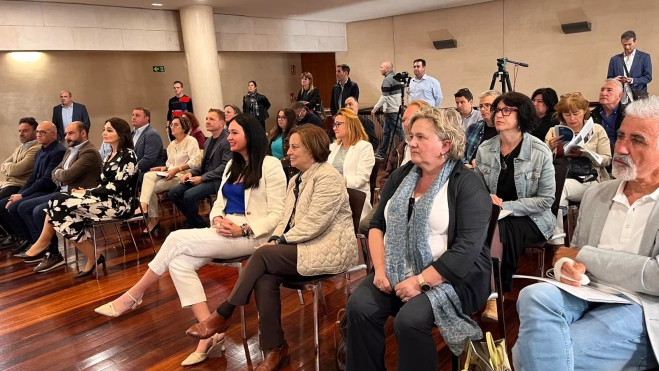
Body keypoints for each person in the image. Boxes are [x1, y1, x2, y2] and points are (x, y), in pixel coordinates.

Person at [94, 114, 287, 366]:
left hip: (251, 236)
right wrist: (216, 219)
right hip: (224, 228)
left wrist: (245, 229)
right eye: (229, 133)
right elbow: (219, 203)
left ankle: (134, 294)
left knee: (175, 238)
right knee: (179, 263)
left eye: (234, 133)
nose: (229, 137)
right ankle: (210, 335)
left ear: (250, 135)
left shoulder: (271, 166)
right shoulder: (233, 165)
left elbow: (277, 214)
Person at [185, 125, 358, 371]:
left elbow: (314, 225)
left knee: (264, 254)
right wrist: (275, 239)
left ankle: (225, 312)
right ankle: (273, 349)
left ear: (313, 149)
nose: (289, 151)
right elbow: (284, 221)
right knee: (264, 276)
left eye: (295, 146)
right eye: (290, 146)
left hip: (328, 249)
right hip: (303, 247)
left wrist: (277, 243)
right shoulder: (297, 179)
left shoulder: (327, 176)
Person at [513, 96, 659, 371]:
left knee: (528, 352)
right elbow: (572, 253)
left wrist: (584, 255)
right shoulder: (597, 193)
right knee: (533, 295)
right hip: (589, 291)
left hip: (641, 304)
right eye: (621, 136)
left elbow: (656, 277)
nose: (622, 148)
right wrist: (565, 265)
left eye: (637, 140)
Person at [346, 107, 492, 370]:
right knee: (359, 306)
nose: (411, 142)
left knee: (410, 320)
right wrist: (379, 270)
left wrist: (421, 281)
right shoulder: (403, 175)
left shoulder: (467, 183)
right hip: (397, 266)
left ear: (445, 145)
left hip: (454, 276)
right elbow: (377, 224)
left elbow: (466, 250)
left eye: (421, 137)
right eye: (411, 136)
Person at [475, 92, 555, 322]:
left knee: (499, 228)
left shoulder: (539, 151)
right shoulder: (485, 149)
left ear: (522, 115)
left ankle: (494, 295)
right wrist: (486, 198)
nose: (498, 114)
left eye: (506, 110)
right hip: (494, 214)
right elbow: (479, 189)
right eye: (497, 110)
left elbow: (545, 200)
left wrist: (505, 206)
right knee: (478, 225)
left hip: (533, 217)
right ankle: (469, 287)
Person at [30, 118, 138, 278]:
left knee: (61, 208)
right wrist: (88, 191)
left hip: (120, 204)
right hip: (105, 200)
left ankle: (50, 243)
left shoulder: (128, 155)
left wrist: (88, 193)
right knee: (58, 203)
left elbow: (117, 186)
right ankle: (89, 256)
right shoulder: (109, 154)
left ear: (121, 134)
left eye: (109, 130)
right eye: (104, 129)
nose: (104, 133)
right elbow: (104, 183)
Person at [15, 121, 103, 273]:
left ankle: (52, 252)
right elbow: (55, 173)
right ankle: (41, 245)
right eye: (66, 133)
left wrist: (60, 175)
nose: (67, 137)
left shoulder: (89, 152)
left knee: (38, 211)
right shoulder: (70, 150)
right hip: (62, 192)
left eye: (71, 133)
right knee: (24, 207)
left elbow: (67, 175)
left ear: (83, 133)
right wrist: (60, 175)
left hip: (78, 194)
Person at [545, 93, 611, 244]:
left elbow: (607, 160)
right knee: (557, 190)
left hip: (592, 179)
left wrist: (586, 153)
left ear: (584, 111)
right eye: (567, 114)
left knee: (558, 189)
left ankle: (558, 243)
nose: (572, 118)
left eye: (576, 113)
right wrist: (549, 147)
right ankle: (559, 244)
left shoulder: (597, 129)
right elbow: (542, 162)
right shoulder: (553, 132)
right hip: (565, 176)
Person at [0, 122, 66, 255]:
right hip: (38, 188)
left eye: (43, 132)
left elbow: (46, 180)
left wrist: (22, 196)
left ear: (53, 135)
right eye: (38, 132)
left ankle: (42, 246)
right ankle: (29, 240)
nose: (39, 135)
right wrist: (19, 194)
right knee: (9, 205)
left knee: (21, 207)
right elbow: (33, 177)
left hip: (49, 190)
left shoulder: (58, 151)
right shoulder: (40, 151)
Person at [170, 109, 232, 229]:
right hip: (204, 176)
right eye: (207, 119)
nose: (207, 122)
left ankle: (195, 224)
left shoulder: (227, 140)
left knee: (189, 195)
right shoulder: (208, 140)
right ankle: (197, 222)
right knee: (174, 193)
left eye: (211, 119)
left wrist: (202, 178)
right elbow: (203, 164)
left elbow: (225, 166)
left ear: (222, 123)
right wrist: (191, 173)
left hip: (217, 180)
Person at [139, 115, 201, 235]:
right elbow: (169, 164)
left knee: (150, 188)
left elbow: (195, 162)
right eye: (171, 125)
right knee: (148, 175)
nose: (172, 127)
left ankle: (153, 219)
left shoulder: (191, 141)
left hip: (182, 176)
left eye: (176, 125)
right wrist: (164, 168)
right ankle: (145, 205)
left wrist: (176, 169)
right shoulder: (171, 144)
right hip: (169, 173)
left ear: (184, 127)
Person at [330, 108, 375, 219]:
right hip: (332, 196)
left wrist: (338, 182)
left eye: (338, 124)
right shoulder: (334, 146)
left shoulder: (364, 147)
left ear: (350, 125)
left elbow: (361, 179)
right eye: (334, 124)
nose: (334, 128)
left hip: (353, 199)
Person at [0, 117, 39, 203]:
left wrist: (8, 168)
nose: (21, 134)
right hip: (7, 184)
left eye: (25, 131)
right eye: (19, 131)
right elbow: (2, 165)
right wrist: (9, 168)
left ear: (35, 132)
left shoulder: (36, 148)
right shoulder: (21, 147)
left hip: (19, 186)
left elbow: (16, 170)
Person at [607, 30, 652, 104]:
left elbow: (648, 77)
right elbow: (609, 79)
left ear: (635, 41)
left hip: (639, 98)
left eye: (629, 44)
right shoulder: (614, 59)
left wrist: (632, 80)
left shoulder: (644, 57)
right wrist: (615, 80)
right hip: (620, 97)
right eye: (624, 45)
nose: (627, 47)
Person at [372, 61, 405, 159]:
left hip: (391, 111)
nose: (380, 69)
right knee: (386, 132)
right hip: (392, 110)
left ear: (387, 69)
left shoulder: (388, 79)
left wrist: (375, 108)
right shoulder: (395, 78)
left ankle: (408, 150)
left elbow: (384, 97)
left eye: (381, 67)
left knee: (400, 132)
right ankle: (382, 153)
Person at [464, 90, 501, 166]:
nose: (483, 109)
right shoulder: (473, 128)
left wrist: (479, 164)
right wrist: (465, 164)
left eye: (487, 105)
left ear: (499, 107)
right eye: (481, 106)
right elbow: (461, 152)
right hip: (468, 171)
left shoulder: (505, 132)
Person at [131, 107, 165, 181]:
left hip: (147, 171)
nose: (133, 117)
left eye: (137, 115)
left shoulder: (152, 134)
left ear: (146, 119)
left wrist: (131, 169)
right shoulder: (132, 133)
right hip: (135, 169)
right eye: (133, 115)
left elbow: (148, 159)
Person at [591, 79, 625, 151]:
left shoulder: (627, 115)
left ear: (619, 96)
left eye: (609, 90)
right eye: (602, 90)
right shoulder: (592, 115)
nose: (603, 93)